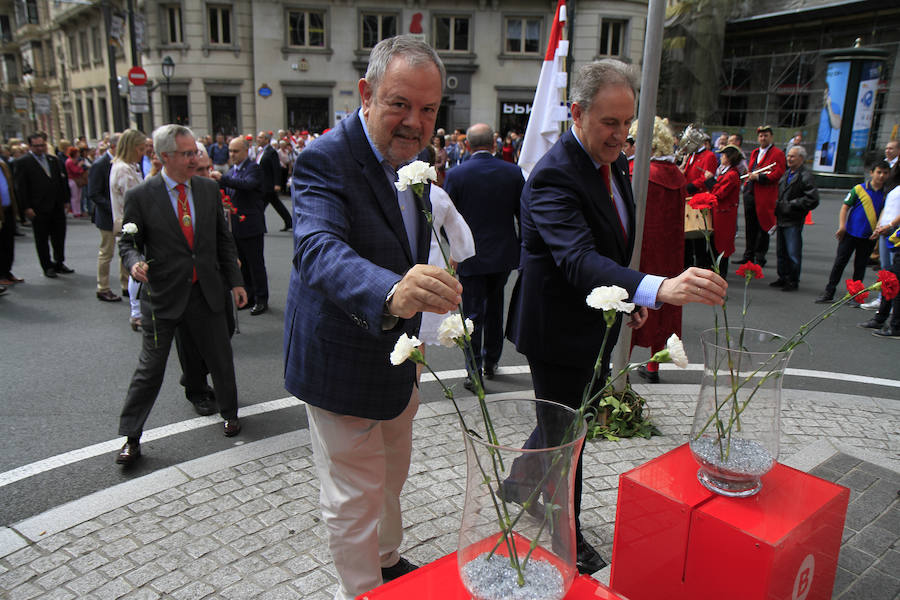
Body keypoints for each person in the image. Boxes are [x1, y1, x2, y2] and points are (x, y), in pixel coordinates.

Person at [505, 59, 727, 575]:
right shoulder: (554, 176)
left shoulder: (613, 165)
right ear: (578, 113)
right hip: (557, 331)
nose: (622, 135)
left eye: (627, 124)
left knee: (567, 420)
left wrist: (627, 304)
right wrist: (659, 288)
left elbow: (612, 249)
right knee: (569, 436)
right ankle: (567, 535)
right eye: (610, 123)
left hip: (595, 321)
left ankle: (519, 481)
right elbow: (578, 259)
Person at [284, 35, 462, 600]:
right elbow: (318, 249)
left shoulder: (415, 160)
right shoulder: (324, 158)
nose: (415, 122)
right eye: (400, 104)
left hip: (399, 359)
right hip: (341, 358)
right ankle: (361, 591)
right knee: (354, 496)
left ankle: (386, 563)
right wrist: (393, 292)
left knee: (390, 478)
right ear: (365, 93)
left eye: (429, 110)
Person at [115, 124, 247, 466]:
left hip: (205, 289)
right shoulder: (142, 196)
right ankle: (131, 436)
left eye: (195, 151)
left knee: (219, 356)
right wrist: (134, 263)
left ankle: (230, 413)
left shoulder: (206, 189)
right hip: (163, 294)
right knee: (150, 368)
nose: (195, 158)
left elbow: (222, 240)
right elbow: (128, 242)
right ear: (164, 158)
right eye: (187, 153)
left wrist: (236, 282)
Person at [444, 122, 523, 389]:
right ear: (494, 145)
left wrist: (455, 250)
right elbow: (524, 217)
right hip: (502, 254)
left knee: (472, 314)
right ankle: (491, 360)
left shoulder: (457, 175)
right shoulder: (512, 173)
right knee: (495, 308)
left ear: (467, 145)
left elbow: (447, 219)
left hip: (470, 255)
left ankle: (473, 369)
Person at [630, 117, 687, 383]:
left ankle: (616, 365)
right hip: (670, 251)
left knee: (631, 302)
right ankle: (653, 366)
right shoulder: (677, 174)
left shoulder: (637, 172)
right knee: (663, 307)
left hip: (641, 250)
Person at [815, 161, 890, 303]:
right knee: (839, 263)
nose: (881, 176)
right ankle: (829, 291)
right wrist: (842, 226)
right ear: (872, 173)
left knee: (860, 266)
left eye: (885, 173)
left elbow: (885, 213)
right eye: (879, 172)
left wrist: (878, 229)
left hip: (869, 236)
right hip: (850, 233)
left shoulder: (887, 194)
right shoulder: (859, 189)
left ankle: (855, 295)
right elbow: (845, 207)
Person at [211, 137, 269, 315]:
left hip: (251, 225)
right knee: (241, 264)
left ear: (246, 151)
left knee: (255, 264)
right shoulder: (231, 171)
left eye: (235, 151)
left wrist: (223, 179)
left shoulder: (253, 168)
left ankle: (261, 299)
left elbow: (248, 184)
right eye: (230, 151)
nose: (232, 155)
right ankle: (248, 295)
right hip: (235, 225)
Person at [14, 132, 72, 278]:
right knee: (42, 238)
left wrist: (66, 200)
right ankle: (47, 266)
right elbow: (20, 187)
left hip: (56, 205)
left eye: (42, 145)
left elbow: (62, 181)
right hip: (38, 207)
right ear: (30, 146)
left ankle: (59, 262)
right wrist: (26, 207)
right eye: (36, 146)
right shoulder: (23, 162)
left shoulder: (54, 160)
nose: (40, 148)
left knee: (59, 236)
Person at [110, 130, 149, 328]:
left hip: (130, 220)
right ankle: (136, 312)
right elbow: (134, 197)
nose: (143, 153)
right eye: (141, 149)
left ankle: (137, 310)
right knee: (137, 267)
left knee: (138, 268)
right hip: (131, 223)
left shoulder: (126, 167)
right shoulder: (124, 169)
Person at [735, 125, 786, 267]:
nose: (763, 138)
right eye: (761, 136)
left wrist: (759, 177)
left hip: (764, 195)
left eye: (766, 135)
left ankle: (760, 257)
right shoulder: (755, 152)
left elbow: (778, 173)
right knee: (750, 226)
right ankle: (748, 255)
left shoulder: (777, 153)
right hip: (750, 193)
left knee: (763, 226)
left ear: (771, 137)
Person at [772, 146, 819, 292]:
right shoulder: (787, 173)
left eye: (793, 156)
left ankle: (793, 280)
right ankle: (783, 277)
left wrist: (792, 205)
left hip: (793, 219)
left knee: (793, 252)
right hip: (782, 217)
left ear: (801, 158)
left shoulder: (805, 176)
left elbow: (813, 199)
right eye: (788, 156)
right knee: (781, 251)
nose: (789, 158)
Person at [254, 130, 292, 232]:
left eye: (261, 137)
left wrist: (277, 183)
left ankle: (261, 228)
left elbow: (276, 168)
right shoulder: (260, 151)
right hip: (261, 183)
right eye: (258, 137)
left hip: (268, 184)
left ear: (267, 140)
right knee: (277, 204)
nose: (258, 139)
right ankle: (289, 222)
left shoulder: (272, 152)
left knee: (259, 206)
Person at [0, 157, 21, 287]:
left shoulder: (2, 164)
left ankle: (7, 272)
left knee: (8, 243)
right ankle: (1, 275)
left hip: (7, 209)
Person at [64, 146, 87, 218]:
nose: (78, 154)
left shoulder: (75, 161)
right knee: (74, 197)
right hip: (72, 180)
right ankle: (75, 212)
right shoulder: (69, 161)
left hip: (77, 180)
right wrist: (80, 166)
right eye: (77, 153)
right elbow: (75, 170)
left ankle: (78, 211)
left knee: (79, 197)